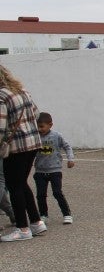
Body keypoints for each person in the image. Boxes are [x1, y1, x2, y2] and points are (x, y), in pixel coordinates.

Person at [0, 65, 48, 242]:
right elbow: (36, 113)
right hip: (33, 143)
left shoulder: (2, 96)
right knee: (21, 183)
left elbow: (0, 126)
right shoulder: (22, 91)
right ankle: (36, 222)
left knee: (14, 187)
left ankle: (23, 228)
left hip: (16, 147)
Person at [34, 112, 75, 225]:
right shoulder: (35, 137)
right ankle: (43, 215)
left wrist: (70, 159)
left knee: (57, 193)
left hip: (55, 171)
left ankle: (67, 214)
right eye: (37, 126)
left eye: (42, 126)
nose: (39, 129)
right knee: (40, 195)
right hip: (40, 171)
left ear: (50, 125)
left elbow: (67, 147)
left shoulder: (56, 136)